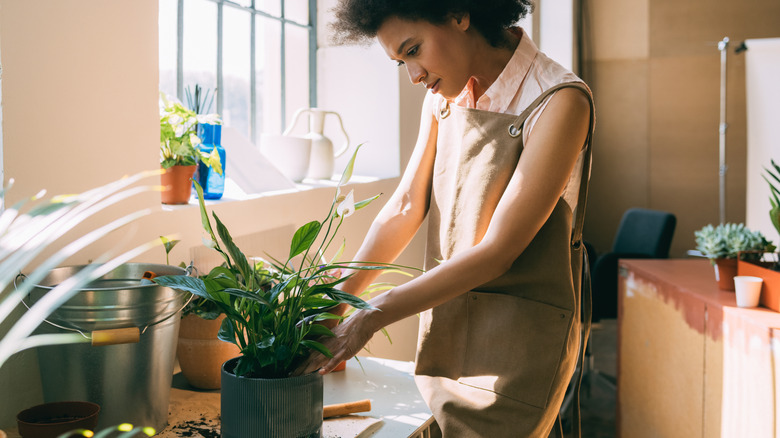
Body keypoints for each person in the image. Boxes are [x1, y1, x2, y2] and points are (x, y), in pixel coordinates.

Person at [302, 1, 595, 436]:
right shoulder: (444, 98)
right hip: (447, 328)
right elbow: (405, 207)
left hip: (519, 346)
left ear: (459, 13)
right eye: (401, 62)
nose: (414, 75)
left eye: (414, 50)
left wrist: (369, 315)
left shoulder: (559, 100)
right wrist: (335, 307)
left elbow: (498, 252)